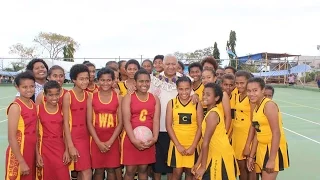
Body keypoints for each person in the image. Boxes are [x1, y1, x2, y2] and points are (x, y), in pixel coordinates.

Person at [193, 83, 239, 180]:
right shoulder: (211, 112)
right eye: (203, 93)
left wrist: (202, 166)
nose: (204, 96)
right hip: (212, 153)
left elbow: (205, 143)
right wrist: (198, 163)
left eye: (208, 95)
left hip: (220, 155)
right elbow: (205, 143)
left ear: (217, 98)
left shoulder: (212, 115)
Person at [246, 77, 289, 180]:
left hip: (273, 149)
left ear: (262, 90)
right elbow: (258, 133)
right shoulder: (256, 106)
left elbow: (276, 132)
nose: (251, 94)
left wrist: (272, 159)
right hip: (262, 148)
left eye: (255, 90)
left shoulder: (269, 105)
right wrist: (251, 156)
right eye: (249, 91)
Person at [121, 69, 160, 180]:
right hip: (130, 138)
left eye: (147, 81)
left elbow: (156, 120)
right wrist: (133, 140)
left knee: (143, 169)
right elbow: (126, 120)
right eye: (141, 81)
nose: (144, 84)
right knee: (130, 170)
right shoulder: (128, 97)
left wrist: (155, 138)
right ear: (135, 83)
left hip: (148, 139)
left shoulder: (154, 98)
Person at [87, 68, 123, 180]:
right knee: (98, 170)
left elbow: (121, 122)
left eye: (108, 80)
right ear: (98, 81)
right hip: (96, 139)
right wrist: (98, 142)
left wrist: (110, 141)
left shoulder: (118, 97)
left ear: (113, 81)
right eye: (102, 80)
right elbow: (89, 121)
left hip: (112, 139)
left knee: (111, 169)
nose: (105, 83)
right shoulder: (92, 97)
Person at [166, 76, 203, 180]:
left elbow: (200, 127)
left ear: (191, 87)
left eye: (187, 88)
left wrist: (194, 146)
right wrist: (177, 145)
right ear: (177, 89)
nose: (184, 92)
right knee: (176, 173)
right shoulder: (172, 103)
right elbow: (168, 125)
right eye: (181, 89)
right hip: (177, 144)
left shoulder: (196, 103)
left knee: (190, 173)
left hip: (192, 143)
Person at [5, 71, 37, 180]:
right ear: (17, 87)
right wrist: (21, 162)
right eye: (24, 87)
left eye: (32, 86)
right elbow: (11, 137)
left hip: (31, 150)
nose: (29, 90)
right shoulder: (15, 107)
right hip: (19, 153)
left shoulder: (33, 104)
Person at [36, 80, 70, 180]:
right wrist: (37, 155)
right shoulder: (38, 109)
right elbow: (35, 135)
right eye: (50, 95)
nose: (54, 98)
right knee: (47, 176)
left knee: (63, 175)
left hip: (60, 148)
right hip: (45, 149)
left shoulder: (63, 109)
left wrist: (67, 150)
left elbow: (66, 131)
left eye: (57, 94)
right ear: (44, 95)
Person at [62, 64, 92, 180]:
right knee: (86, 171)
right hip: (74, 137)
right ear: (74, 79)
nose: (85, 81)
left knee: (81, 171)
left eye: (86, 78)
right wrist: (70, 146)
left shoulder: (89, 95)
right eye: (81, 79)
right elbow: (65, 122)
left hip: (87, 137)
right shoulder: (68, 96)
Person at [232, 70, 256, 180]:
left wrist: (248, 145)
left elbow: (254, 122)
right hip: (237, 135)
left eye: (242, 83)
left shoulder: (251, 98)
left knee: (249, 168)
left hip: (247, 136)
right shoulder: (237, 95)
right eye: (237, 83)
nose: (239, 85)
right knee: (241, 167)